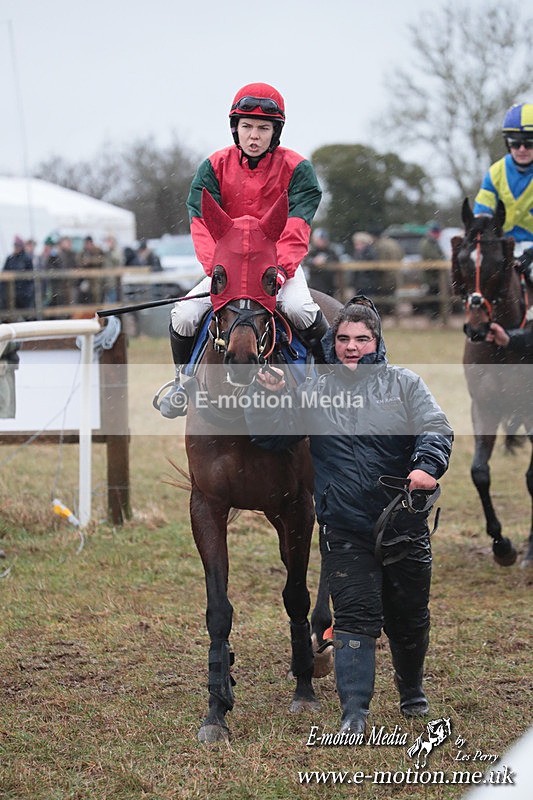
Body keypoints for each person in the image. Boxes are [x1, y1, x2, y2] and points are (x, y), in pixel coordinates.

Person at [244, 296, 453, 734]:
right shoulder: (314, 389)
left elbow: (435, 427)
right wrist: (264, 396)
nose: (351, 346)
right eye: (343, 339)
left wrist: (425, 467)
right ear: (333, 344)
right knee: (355, 616)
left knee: (408, 614)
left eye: (361, 338)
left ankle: (411, 692)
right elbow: (269, 437)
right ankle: (354, 713)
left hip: (403, 522)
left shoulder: (404, 383)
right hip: (344, 527)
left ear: (377, 342)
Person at [156, 82, 326, 418]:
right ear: (236, 128)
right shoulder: (213, 167)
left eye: (263, 129)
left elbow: (296, 227)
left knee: (301, 308)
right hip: (228, 270)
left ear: (275, 132)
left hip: (277, 267)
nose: (254, 136)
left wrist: (280, 269)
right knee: (184, 314)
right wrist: (216, 269)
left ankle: (327, 383)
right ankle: (182, 383)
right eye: (247, 127)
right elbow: (202, 223)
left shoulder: (298, 169)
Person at [474, 102, 533, 281]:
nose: (522, 149)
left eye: (529, 143)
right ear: (508, 144)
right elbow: (481, 215)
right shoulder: (495, 172)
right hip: (501, 246)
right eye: (515, 143)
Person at [303, 228, 341, 296]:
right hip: (316, 286)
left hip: (329, 286)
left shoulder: (331, 250)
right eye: (320, 239)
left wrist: (326, 260)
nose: (322, 241)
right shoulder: (311, 250)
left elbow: (337, 262)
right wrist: (314, 261)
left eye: (324, 239)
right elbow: (305, 261)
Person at [2, 235, 35, 312]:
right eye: (15, 245)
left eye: (18, 245)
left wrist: (27, 293)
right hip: (10, 294)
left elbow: (30, 278)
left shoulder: (27, 259)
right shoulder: (10, 259)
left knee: (25, 314)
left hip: (23, 294)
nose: (16, 247)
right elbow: (4, 273)